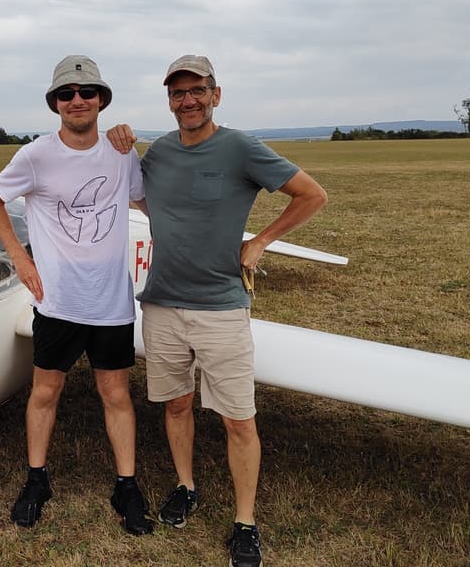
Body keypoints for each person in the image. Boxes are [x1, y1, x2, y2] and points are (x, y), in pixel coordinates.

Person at [107, 55, 328, 567]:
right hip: (161, 304)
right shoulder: (159, 152)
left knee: (238, 420)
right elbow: (142, 197)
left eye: (197, 90)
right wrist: (120, 143)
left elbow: (312, 195)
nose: (188, 100)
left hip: (221, 309)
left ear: (216, 94)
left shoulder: (240, 147)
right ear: (169, 101)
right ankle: (185, 486)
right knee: (177, 404)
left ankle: (245, 522)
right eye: (178, 93)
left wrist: (262, 242)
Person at [0, 55, 154, 535]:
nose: (77, 101)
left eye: (86, 93)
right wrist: (20, 256)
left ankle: (127, 484)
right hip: (57, 301)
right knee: (45, 390)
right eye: (66, 94)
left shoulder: (123, 153)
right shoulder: (35, 155)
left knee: (115, 394)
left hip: (112, 302)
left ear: (101, 100)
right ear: (55, 103)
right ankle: (37, 479)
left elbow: (145, 200)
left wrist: (134, 140)